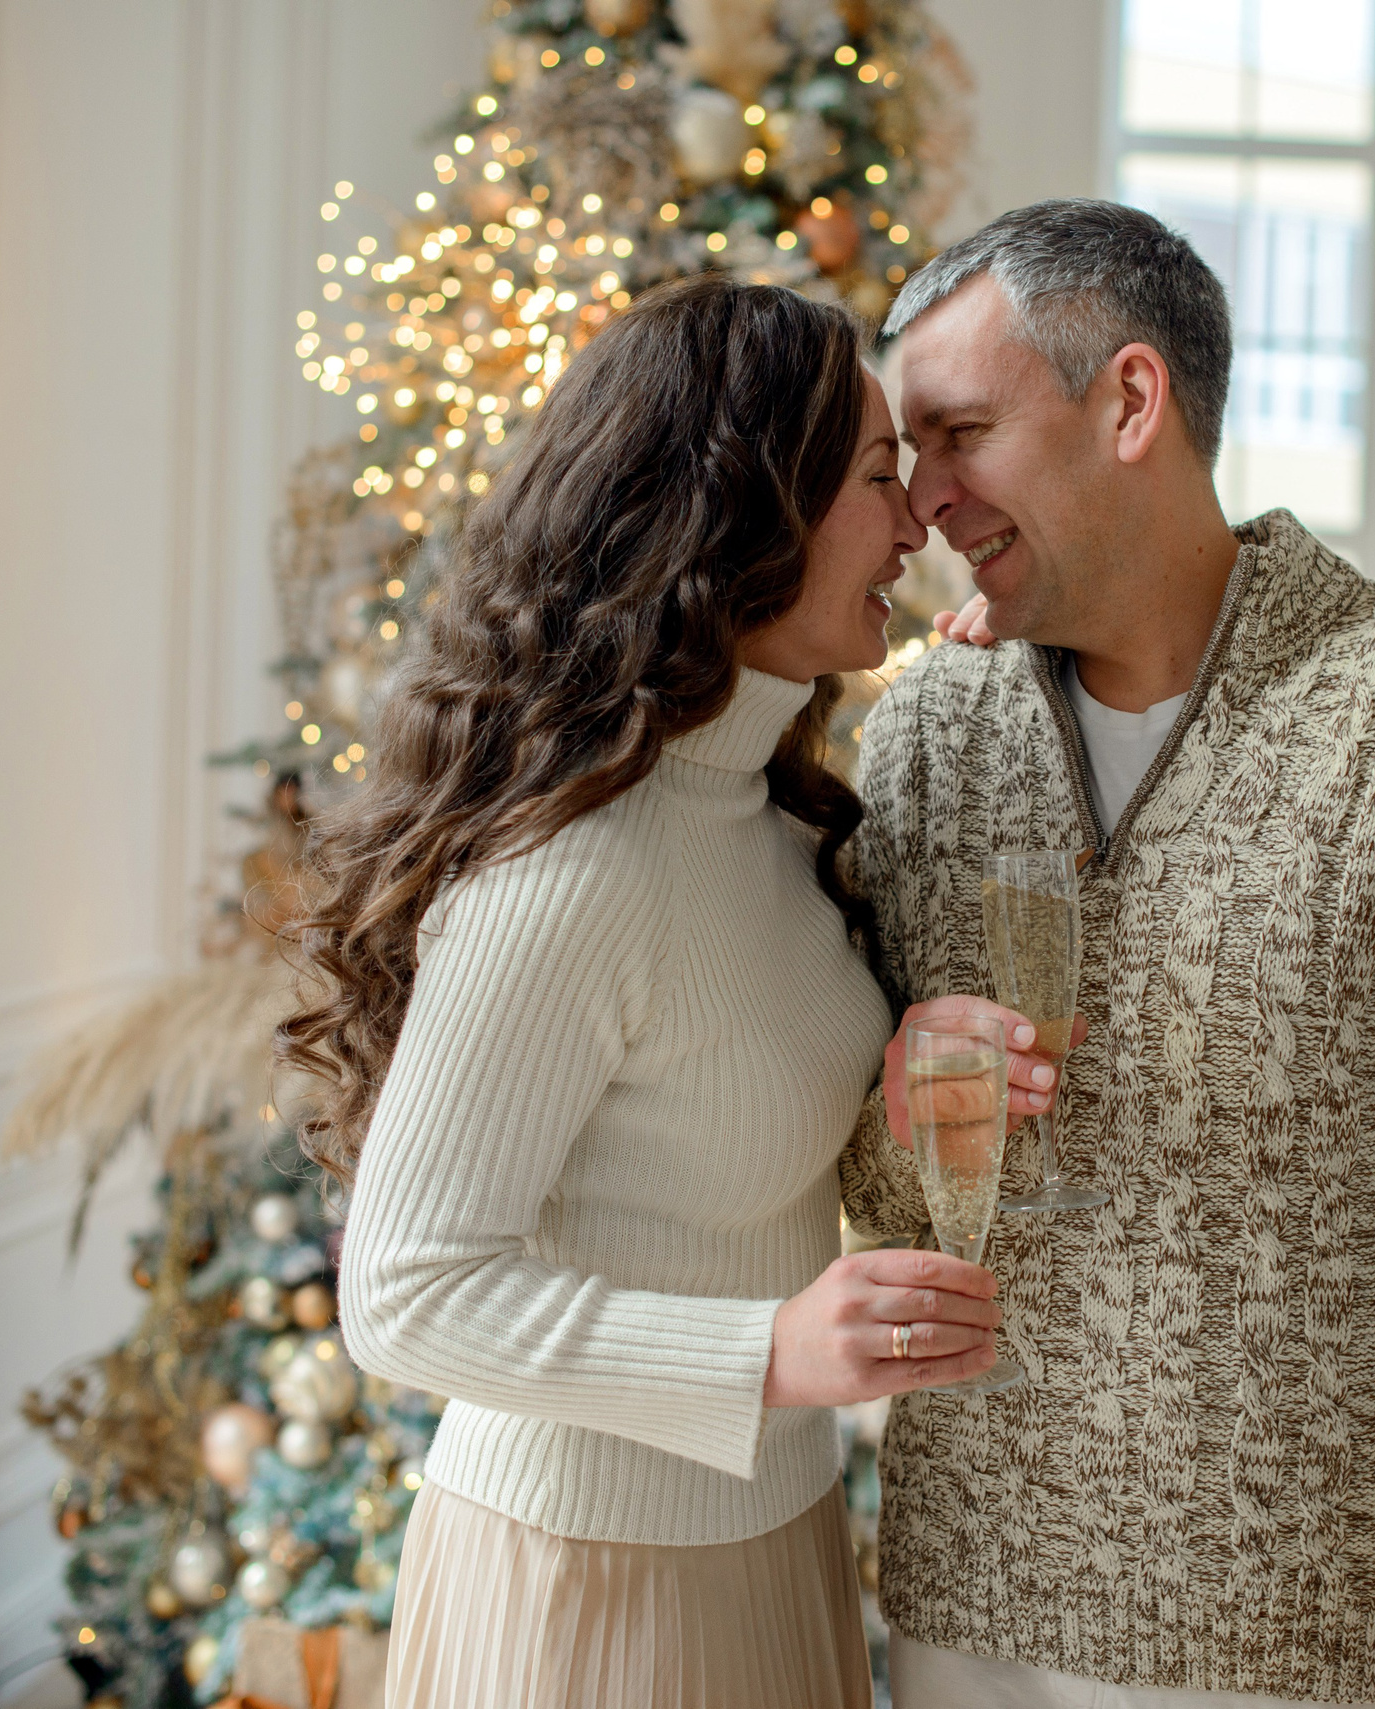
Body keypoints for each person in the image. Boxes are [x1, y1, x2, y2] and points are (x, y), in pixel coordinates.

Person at [838, 200, 1375, 1709]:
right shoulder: (927, 729)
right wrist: (903, 1119)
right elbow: (885, 1205)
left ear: (1131, 401)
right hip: (971, 1607)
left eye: (962, 433)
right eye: (912, 453)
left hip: (1316, 1634)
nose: (927, 502)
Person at [279, 274, 1059, 1709]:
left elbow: (731, 1126)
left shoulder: (771, 820)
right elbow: (401, 1293)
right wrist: (766, 1352)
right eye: (876, 476)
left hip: (778, 1535)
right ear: (744, 509)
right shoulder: (574, 871)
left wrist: (901, 1088)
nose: (915, 525)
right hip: (588, 1583)